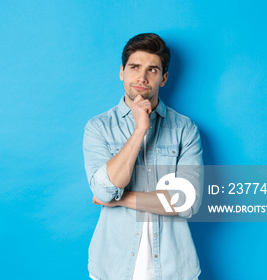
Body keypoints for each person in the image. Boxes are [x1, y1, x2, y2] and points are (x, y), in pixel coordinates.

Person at [83, 33, 204, 280]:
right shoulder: (98, 127)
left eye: (152, 70)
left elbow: (188, 202)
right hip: (112, 267)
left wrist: (120, 198)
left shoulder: (185, 129)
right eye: (134, 67)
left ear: (163, 78)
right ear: (122, 72)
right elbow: (105, 191)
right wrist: (140, 128)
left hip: (174, 269)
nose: (142, 76)